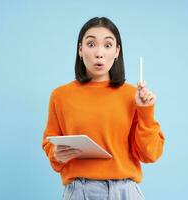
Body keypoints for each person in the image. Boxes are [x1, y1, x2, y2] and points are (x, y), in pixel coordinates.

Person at [42, 16, 165, 200]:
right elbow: (50, 145)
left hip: (125, 192)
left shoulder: (133, 95)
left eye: (107, 46)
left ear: (117, 52)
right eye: (91, 44)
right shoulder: (60, 96)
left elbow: (151, 155)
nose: (99, 53)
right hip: (79, 192)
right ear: (80, 50)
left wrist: (145, 111)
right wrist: (56, 154)